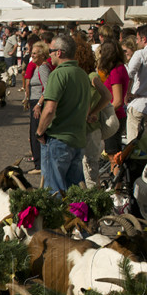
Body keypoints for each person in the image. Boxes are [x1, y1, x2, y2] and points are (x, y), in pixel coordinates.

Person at [34, 33, 109, 195]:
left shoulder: (58, 74)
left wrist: (39, 132)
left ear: (59, 52)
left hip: (58, 139)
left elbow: (49, 109)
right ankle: (76, 220)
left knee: (54, 191)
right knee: (74, 192)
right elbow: (87, 106)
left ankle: (60, 221)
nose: (50, 55)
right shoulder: (82, 75)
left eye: (51, 51)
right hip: (78, 140)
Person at [97, 38, 129, 156]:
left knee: (113, 154)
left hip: (114, 115)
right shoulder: (121, 68)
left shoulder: (116, 71)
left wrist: (101, 112)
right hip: (117, 115)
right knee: (113, 152)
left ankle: (115, 173)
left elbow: (118, 101)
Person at [23, 42, 51, 174]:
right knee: (33, 132)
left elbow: (48, 88)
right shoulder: (38, 67)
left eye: (34, 53)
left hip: (39, 103)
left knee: (37, 132)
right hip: (35, 101)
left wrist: (39, 104)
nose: (32, 55)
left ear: (41, 55)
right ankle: (38, 163)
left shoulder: (43, 68)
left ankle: (39, 165)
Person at [126, 25, 147, 142]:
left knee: (132, 144)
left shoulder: (140, 54)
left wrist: (127, 93)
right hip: (141, 101)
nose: (136, 42)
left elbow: (129, 74)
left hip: (139, 103)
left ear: (144, 39)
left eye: (138, 39)